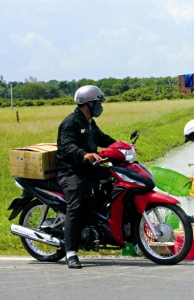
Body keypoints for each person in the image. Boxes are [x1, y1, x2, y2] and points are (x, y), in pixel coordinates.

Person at [56, 85, 116, 268]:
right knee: (75, 204)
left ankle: (96, 221)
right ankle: (71, 252)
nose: (100, 106)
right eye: (98, 102)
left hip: (88, 169)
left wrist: (122, 146)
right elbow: (67, 145)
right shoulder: (70, 123)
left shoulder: (89, 122)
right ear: (87, 103)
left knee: (115, 176)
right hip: (71, 171)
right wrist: (84, 154)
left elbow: (103, 139)